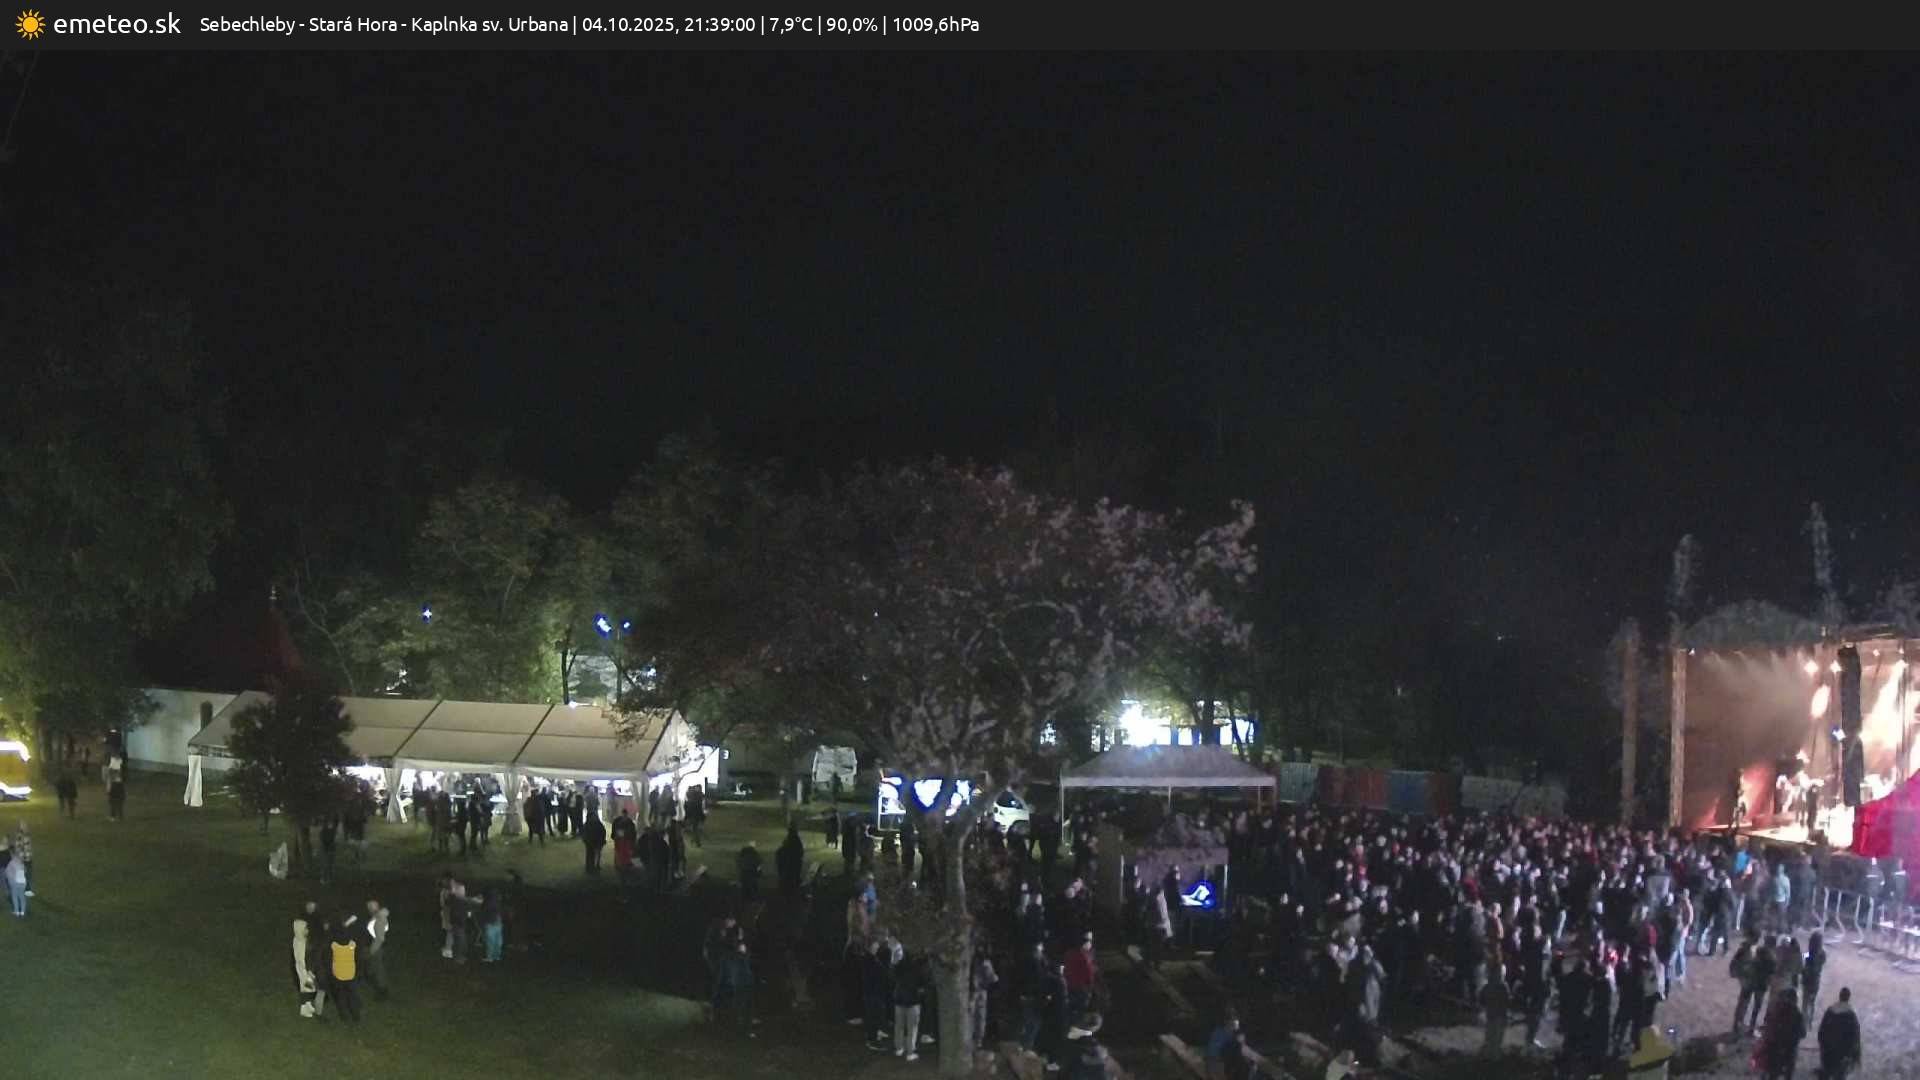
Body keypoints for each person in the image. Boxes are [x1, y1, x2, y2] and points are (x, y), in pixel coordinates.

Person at [1756, 988, 1805, 1080]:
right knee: (1788, 1069)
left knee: (1772, 1071)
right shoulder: (1797, 1014)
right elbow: (1802, 1033)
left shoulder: (1775, 1010)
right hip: (1789, 1048)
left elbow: (1768, 1025)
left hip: (1773, 1047)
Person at [1816, 986, 1861, 1079]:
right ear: (1848, 998)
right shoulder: (1851, 1015)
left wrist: (1823, 1046)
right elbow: (1855, 1037)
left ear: (1839, 996)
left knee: (1826, 1074)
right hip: (1842, 1055)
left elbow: (1821, 1031)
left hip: (1828, 1052)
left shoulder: (1830, 1011)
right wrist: (1854, 1055)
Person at [892, 949, 928, 1061]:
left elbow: (893, 977)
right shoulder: (918, 967)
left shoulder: (899, 965)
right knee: (912, 1028)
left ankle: (899, 1048)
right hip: (913, 1000)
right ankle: (910, 1052)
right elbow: (922, 983)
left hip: (899, 999)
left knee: (899, 1026)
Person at [292, 906, 323, 1017]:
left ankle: (308, 1005)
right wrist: (309, 970)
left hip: (304, 968)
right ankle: (303, 1008)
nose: (308, 930)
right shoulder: (302, 943)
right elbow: (304, 957)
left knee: (308, 987)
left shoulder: (298, 939)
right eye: (305, 928)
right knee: (307, 988)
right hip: (305, 969)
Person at [329, 923, 362, 1022]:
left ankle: (344, 1017)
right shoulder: (352, 945)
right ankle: (356, 1016)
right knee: (352, 996)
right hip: (350, 975)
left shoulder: (334, 946)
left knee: (341, 997)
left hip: (338, 976)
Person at [362, 899, 391, 1000]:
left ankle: (382, 992)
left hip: (376, 948)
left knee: (377, 971)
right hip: (374, 947)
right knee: (373, 970)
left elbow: (379, 938)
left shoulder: (379, 919)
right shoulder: (376, 918)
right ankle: (380, 990)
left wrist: (371, 950)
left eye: (369, 908)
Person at [1802, 932, 1827, 1023]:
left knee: (1805, 1002)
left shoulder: (1810, 953)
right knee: (1812, 1002)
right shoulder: (1822, 953)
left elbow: (1803, 957)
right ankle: (1810, 1021)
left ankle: (1803, 1020)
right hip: (1815, 979)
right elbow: (1823, 962)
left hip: (1807, 979)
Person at [777, 825, 805, 897]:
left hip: (792, 862)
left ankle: (790, 890)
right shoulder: (794, 839)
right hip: (793, 862)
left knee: (791, 876)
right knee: (792, 876)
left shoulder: (792, 839)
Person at [4, 838, 26, 917]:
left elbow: (6, 873)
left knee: (15, 897)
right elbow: (25, 871)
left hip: (15, 883)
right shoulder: (21, 862)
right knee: (22, 897)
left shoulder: (11, 863)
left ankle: (16, 911)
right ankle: (22, 912)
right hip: (22, 882)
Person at [480, 889, 504, 963]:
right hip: (497, 922)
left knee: (491, 941)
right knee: (498, 941)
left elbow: (483, 912)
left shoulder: (487, 902)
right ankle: (496, 956)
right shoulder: (498, 902)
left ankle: (490, 957)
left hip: (490, 923)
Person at [581, 809, 607, 874]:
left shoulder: (598, 824)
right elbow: (584, 834)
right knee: (590, 855)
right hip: (590, 842)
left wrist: (602, 840)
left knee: (596, 854)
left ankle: (595, 865)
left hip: (597, 842)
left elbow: (603, 832)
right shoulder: (587, 825)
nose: (594, 818)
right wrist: (586, 841)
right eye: (593, 816)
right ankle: (590, 867)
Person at [10, 822, 31, 898]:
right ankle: (23, 890)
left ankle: (26, 890)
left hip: (27, 858)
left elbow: (27, 847)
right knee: (23, 875)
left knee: (26, 875)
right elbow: (19, 848)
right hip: (22, 859)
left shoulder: (26, 836)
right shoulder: (20, 837)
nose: (26, 828)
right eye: (24, 827)